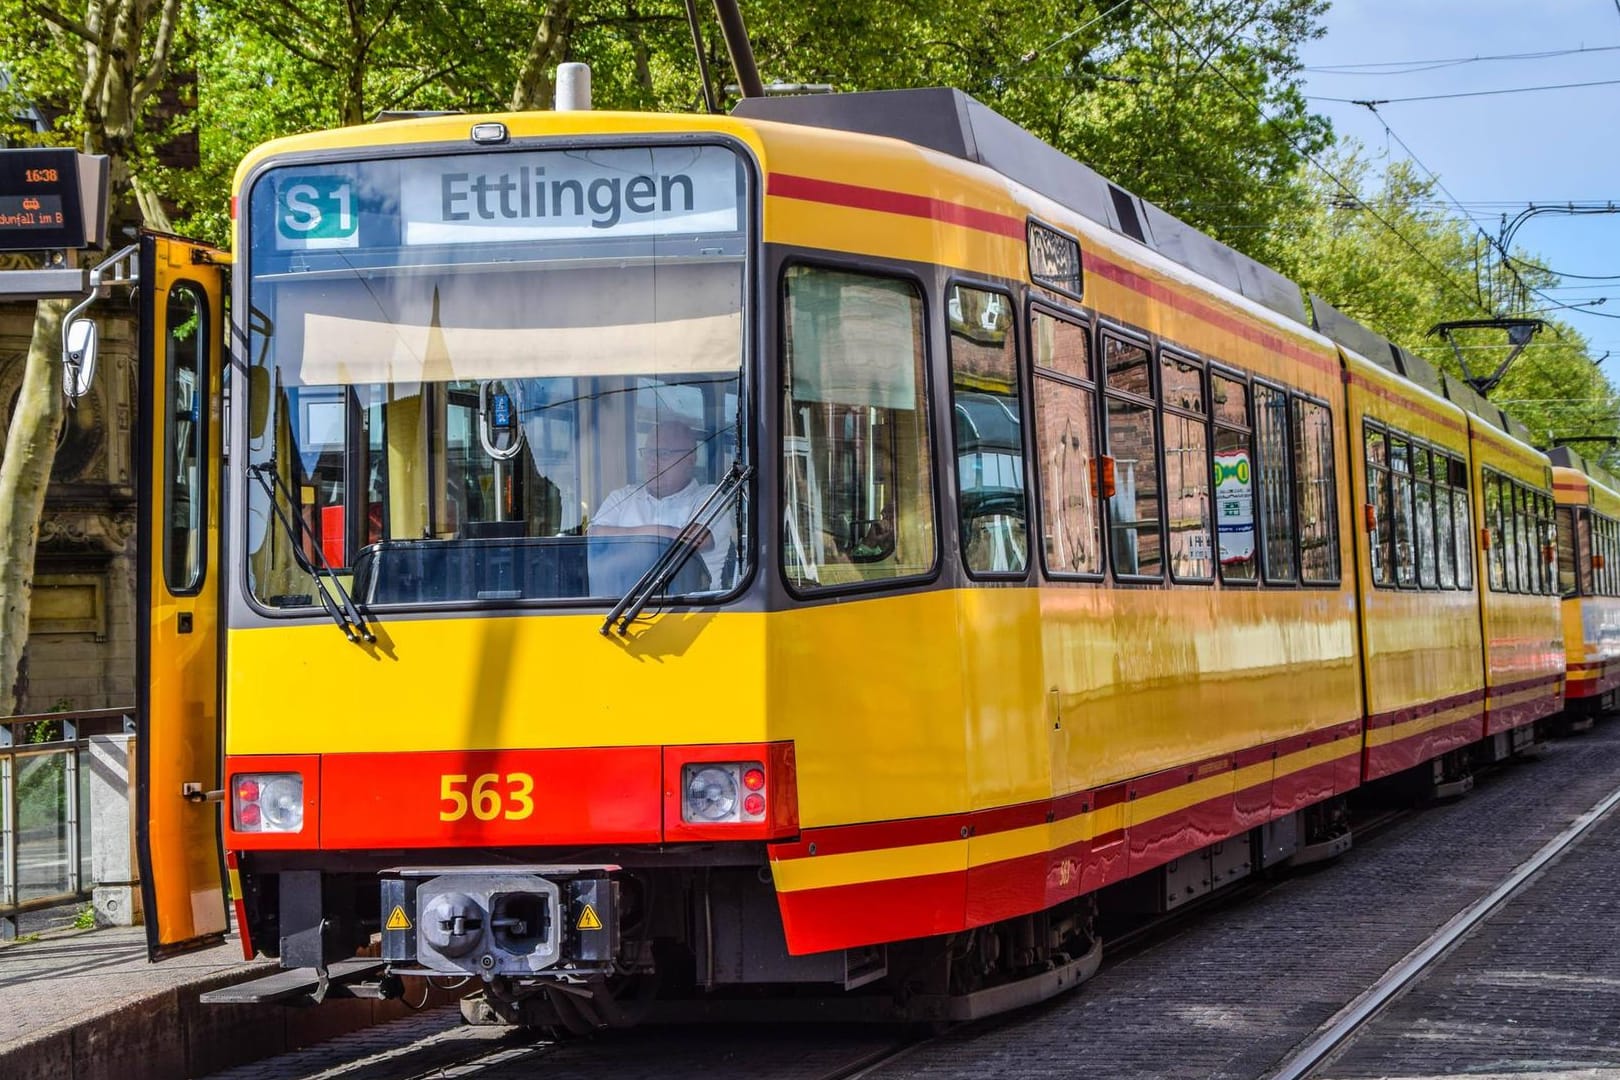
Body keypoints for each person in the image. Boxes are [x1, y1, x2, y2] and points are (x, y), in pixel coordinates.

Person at [590, 418, 734, 588]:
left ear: (690, 459)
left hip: (693, 608)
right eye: (648, 453)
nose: (652, 462)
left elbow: (696, 540)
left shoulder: (710, 497)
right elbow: (593, 535)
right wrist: (666, 533)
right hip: (620, 607)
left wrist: (624, 538)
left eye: (663, 454)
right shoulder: (622, 497)